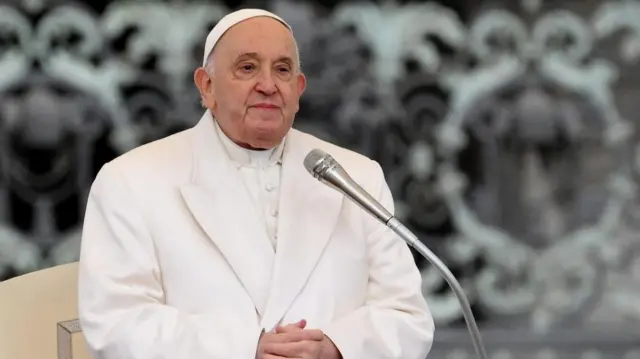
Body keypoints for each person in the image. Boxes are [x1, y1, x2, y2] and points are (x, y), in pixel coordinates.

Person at [77, 8, 434, 359]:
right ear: (207, 86)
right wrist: (246, 348)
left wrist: (336, 347)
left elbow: (407, 317)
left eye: (282, 70)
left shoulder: (356, 176)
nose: (267, 85)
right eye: (247, 68)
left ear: (298, 89)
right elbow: (116, 324)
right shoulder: (132, 180)